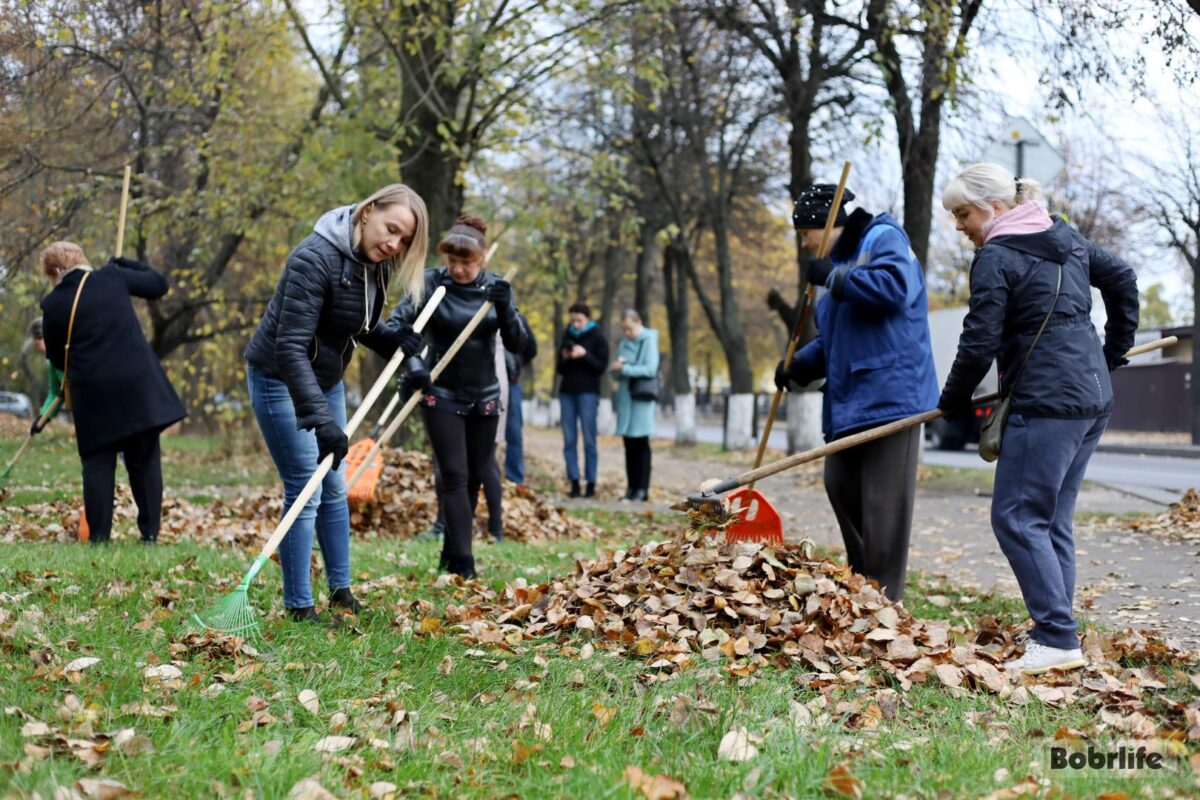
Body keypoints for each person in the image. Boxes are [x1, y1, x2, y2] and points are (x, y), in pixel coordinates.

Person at [937, 163, 1137, 674]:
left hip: (1045, 404)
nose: (959, 225)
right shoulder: (1065, 239)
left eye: (963, 214)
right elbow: (1123, 278)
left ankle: (1055, 638)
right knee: (1050, 521)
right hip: (1092, 399)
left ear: (995, 208)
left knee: (1018, 518)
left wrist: (951, 401)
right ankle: (1058, 631)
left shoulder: (996, 257)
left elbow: (979, 339)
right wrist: (1111, 353)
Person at [244, 184, 429, 624]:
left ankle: (340, 590)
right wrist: (320, 418)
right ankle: (298, 604)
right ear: (367, 212)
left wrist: (392, 341)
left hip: (323, 378)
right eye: (392, 229)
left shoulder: (372, 264)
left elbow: (355, 322)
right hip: (279, 378)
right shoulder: (313, 258)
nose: (394, 244)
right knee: (304, 488)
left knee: (333, 488)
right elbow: (290, 347)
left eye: (404, 240)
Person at [774, 184, 939, 602]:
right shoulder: (840, 264)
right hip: (851, 400)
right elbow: (836, 339)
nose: (803, 241)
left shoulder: (883, 237)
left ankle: (886, 600)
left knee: (884, 505)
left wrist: (834, 275)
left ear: (824, 224)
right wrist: (798, 367)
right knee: (840, 483)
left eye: (804, 231)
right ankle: (866, 586)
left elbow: (893, 289)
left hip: (891, 394)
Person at [392, 216, 527, 578]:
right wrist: (414, 362)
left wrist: (506, 308)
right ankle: (466, 564)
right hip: (441, 391)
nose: (458, 269)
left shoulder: (496, 288)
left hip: (484, 396)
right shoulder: (433, 283)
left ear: (482, 259)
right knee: (453, 474)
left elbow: (519, 344)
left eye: (466, 262)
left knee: (474, 479)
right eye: (453, 261)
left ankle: (451, 555)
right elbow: (397, 326)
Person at [36, 242, 187, 545]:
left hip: (93, 393)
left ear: (55, 271)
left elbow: (54, 356)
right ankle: (149, 534)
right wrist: (125, 263)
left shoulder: (52, 305)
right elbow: (159, 285)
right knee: (144, 460)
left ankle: (100, 537)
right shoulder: (112, 276)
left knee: (97, 463)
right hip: (137, 386)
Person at [556, 302, 608, 497]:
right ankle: (574, 482)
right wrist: (566, 356)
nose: (575, 324)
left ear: (588, 319)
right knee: (569, 439)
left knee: (589, 440)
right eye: (573, 321)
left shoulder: (598, 336)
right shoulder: (566, 335)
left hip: (588, 393)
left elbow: (601, 367)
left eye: (579, 320)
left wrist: (585, 354)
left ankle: (591, 483)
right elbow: (559, 369)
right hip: (567, 393)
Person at [612, 309, 658, 501]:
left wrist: (626, 368)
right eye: (624, 329)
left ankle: (642, 489)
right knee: (629, 445)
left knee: (641, 445)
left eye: (629, 329)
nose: (627, 333)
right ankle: (631, 488)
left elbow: (650, 368)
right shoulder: (624, 343)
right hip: (626, 398)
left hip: (640, 399)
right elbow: (618, 372)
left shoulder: (649, 340)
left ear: (638, 322)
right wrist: (616, 369)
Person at [503, 319, 538, 487]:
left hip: (511, 382)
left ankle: (515, 479)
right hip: (484, 381)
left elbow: (531, 348)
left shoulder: (516, 318)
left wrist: (518, 362)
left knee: (514, 432)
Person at [26, 317, 64, 426]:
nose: (38, 349)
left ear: (45, 336)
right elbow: (55, 391)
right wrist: (42, 417)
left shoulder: (72, 349)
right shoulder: (53, 362)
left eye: (37, 344)